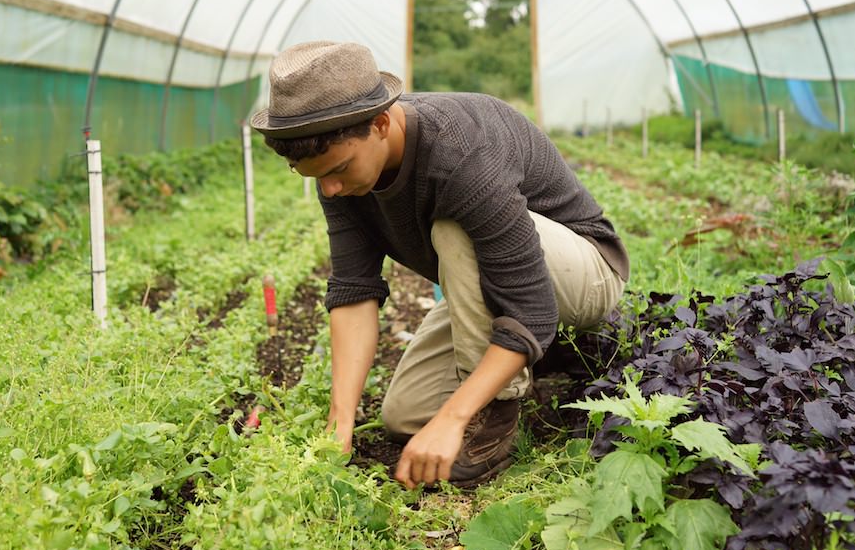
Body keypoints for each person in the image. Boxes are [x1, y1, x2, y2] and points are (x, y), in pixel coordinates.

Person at [251, 40, 629, 489]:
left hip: (585, 273)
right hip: (498, 279)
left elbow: (532, 307)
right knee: (405, 415)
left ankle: (494, 418)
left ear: (381, 123)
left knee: (452, 230)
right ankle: (548, 355)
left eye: (340, 169)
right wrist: (341, 422)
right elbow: (354, 290)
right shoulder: (341, 176)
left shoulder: (460, 153)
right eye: (314, 176)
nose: (330, 189)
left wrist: (456, 418)